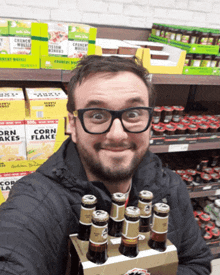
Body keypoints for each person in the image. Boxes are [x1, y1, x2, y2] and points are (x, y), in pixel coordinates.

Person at [0, 55, 212, 275]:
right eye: (98, 115)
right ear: (72, 125)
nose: (117, 134)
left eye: (132, 114)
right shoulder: (38, 200)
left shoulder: (171, 187)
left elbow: (196, 264)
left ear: (150, 123)